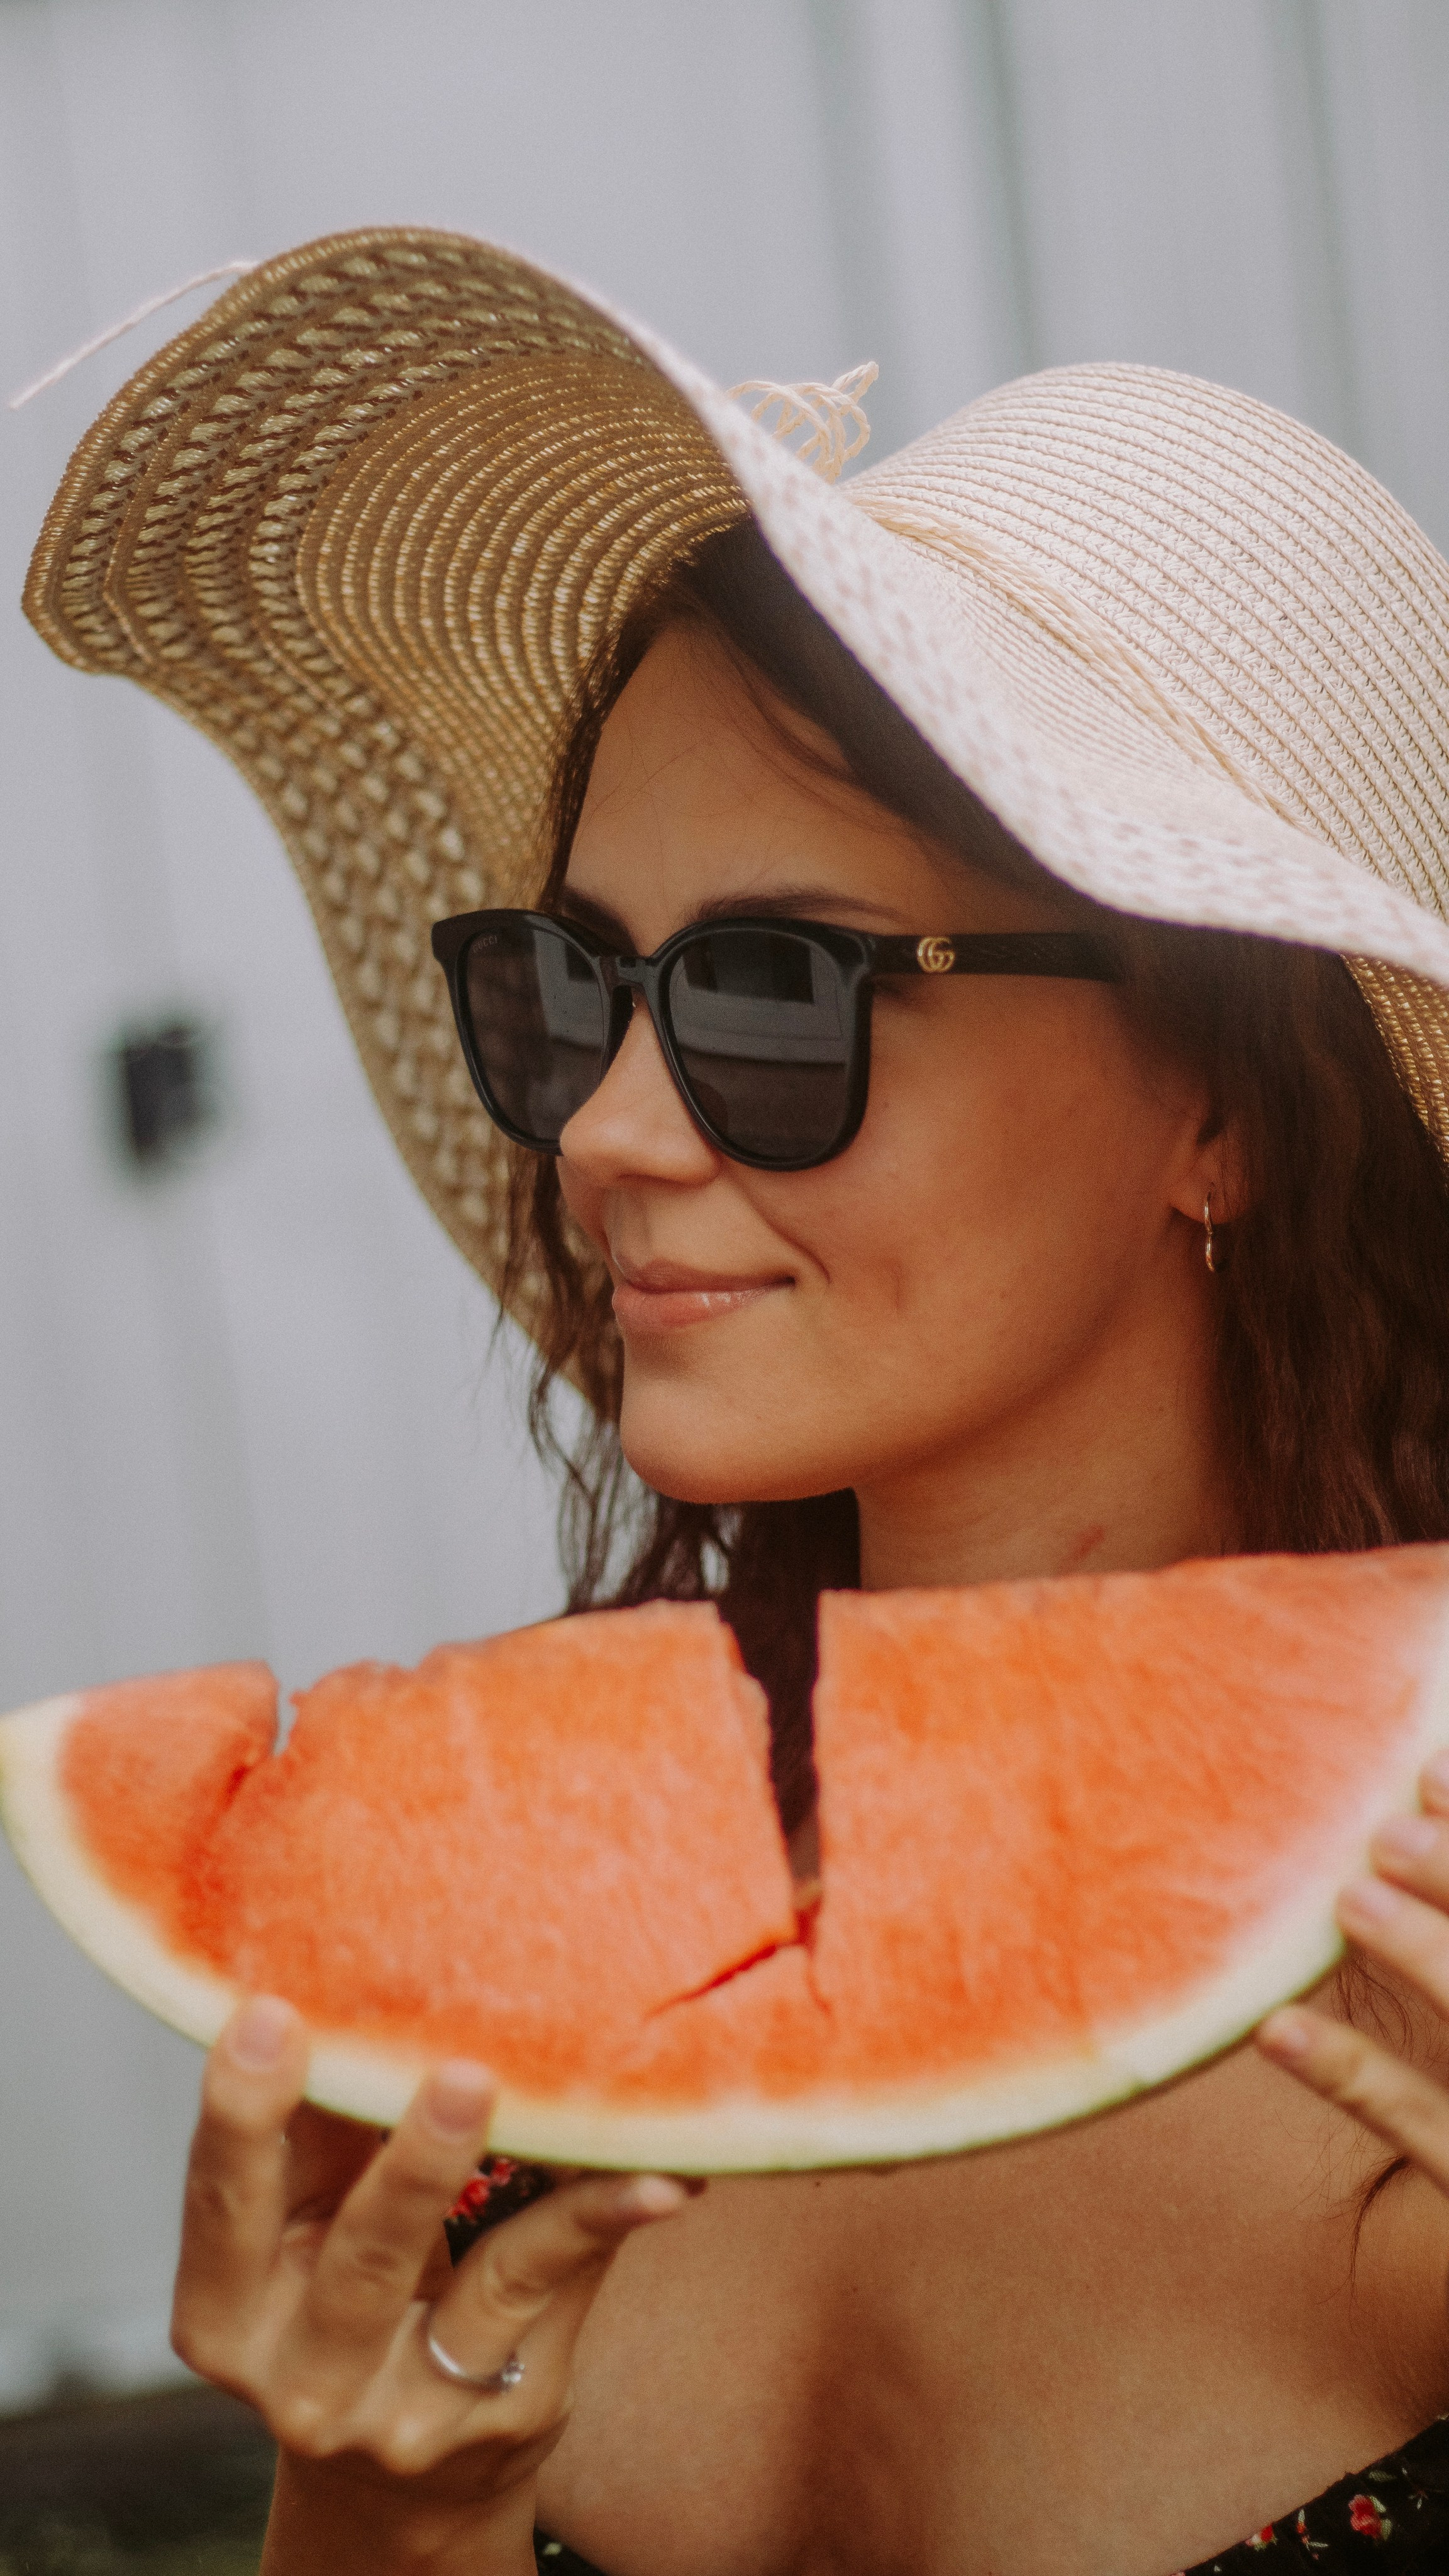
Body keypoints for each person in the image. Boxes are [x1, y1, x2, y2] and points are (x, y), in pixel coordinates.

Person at [25, 228, 1449, 2576]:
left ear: (1234, 1106)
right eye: (567, 989)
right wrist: (375, 2535)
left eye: (778, 991)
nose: (600, 1132)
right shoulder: (516, 1978)